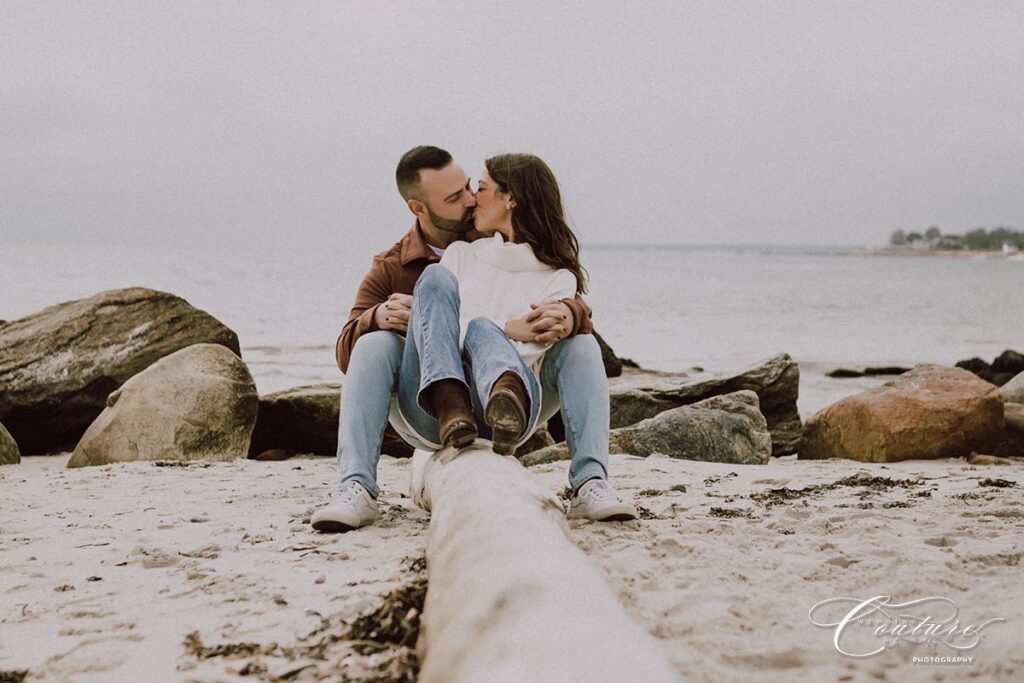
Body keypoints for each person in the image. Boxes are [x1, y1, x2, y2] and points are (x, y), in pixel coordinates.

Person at [311, 147, 636, 532]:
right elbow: (348, 349)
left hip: (511, 403)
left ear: (508, 199)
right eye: (456, 197)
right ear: (419, 208)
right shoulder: (413, 262)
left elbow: (550, 318)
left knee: (579, 343)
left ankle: (591, 483)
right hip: (430, 404)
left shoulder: (516, 249)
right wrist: (376, 317)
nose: (470, 200)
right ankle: (356, 486)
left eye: (473, 188)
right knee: (379, 336)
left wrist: (571, 312)